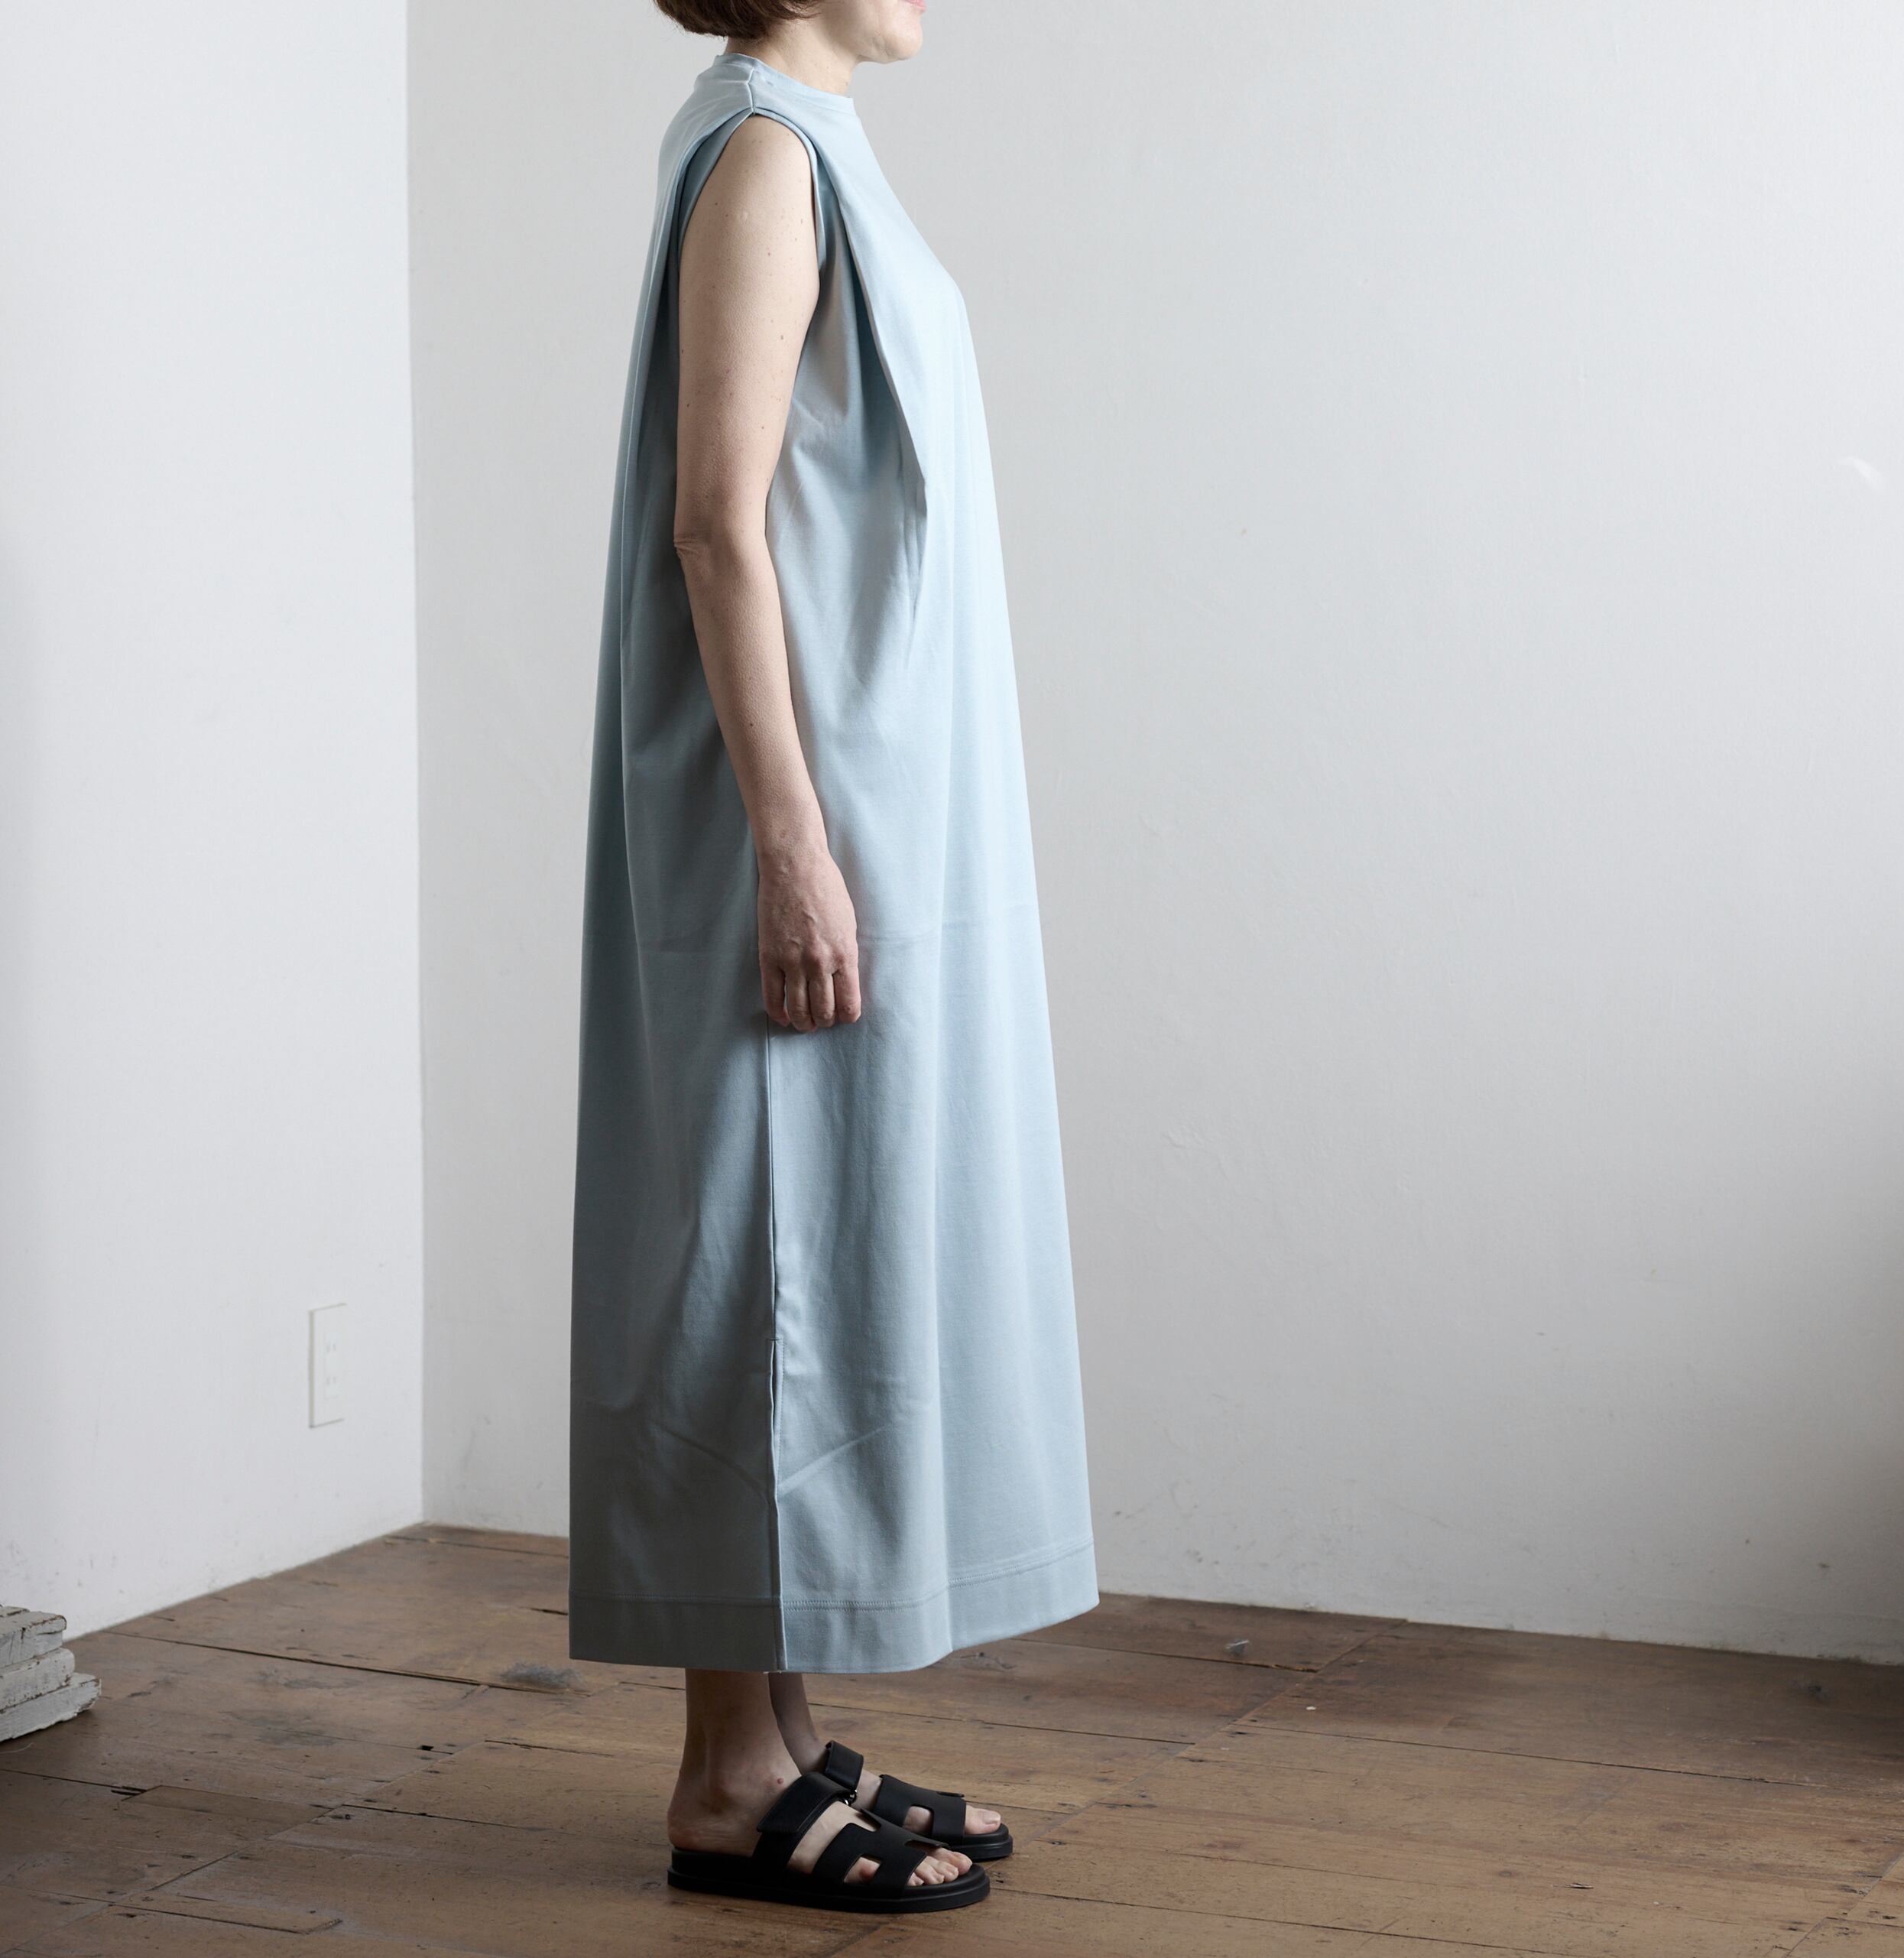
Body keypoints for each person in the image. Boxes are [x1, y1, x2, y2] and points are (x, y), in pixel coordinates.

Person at [567, 0, 1097, 1913]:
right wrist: (789, 843)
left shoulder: (801, 141)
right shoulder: (763, 156)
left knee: (813, 1241)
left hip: (864, 794)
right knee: (754, 1251)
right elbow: (718, 524)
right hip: (788, 805)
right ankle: (725, 1779)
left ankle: (778, 1736)